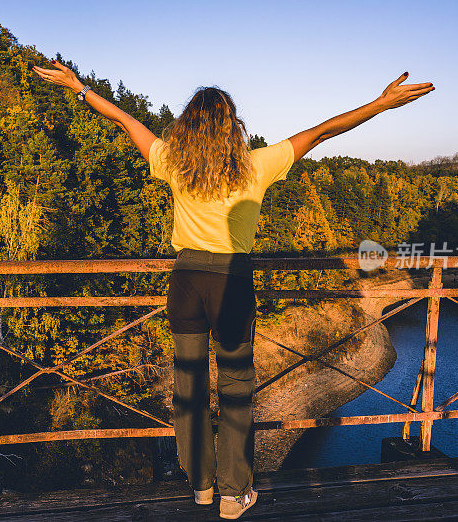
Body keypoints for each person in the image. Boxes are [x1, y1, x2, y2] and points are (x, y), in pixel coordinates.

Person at [33, 60, 434, 519]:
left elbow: (125, 119)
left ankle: (201, 486)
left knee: (188, 388)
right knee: (236, 389)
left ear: (187, 127)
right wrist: (381, 105)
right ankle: (233, 494)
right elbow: (322, 133)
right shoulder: (255, 166)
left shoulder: (170, 162)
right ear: (233, 128)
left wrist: (79, 88)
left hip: (185, 283)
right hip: (232, 284)